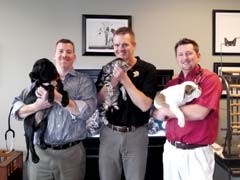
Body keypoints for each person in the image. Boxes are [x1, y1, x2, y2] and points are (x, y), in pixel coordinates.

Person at [11, 39, 97, 180]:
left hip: (71, 156)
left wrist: (58, 97)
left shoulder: (84, 81)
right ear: (54, 55)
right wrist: (37, 106)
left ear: (74, 57)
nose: (64, 55)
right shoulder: (38, 80)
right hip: (39, 154)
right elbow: (16, 108)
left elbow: (88, 111)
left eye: (69, 52)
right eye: (61, 51)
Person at [152, 38, 222, 180]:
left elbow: (201, 112)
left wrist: (167, 112)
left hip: (196, 153)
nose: (185, 58)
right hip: (171, 150)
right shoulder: (172, 84)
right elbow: (157, 113)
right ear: (176, 57)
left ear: (198, 55)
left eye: (189, 53)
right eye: (180, 54)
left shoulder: (210, 79)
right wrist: (160, 112)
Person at [96, 26, 157, 180]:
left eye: (125, 44)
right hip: (109, 134)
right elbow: (99, 99)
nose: (120, 49)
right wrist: (114, 80)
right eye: (116, 45)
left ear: (134, 45)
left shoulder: (148, 70)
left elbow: (145, 105)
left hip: (136, 134)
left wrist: (125, 79)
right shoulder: (106, 68)